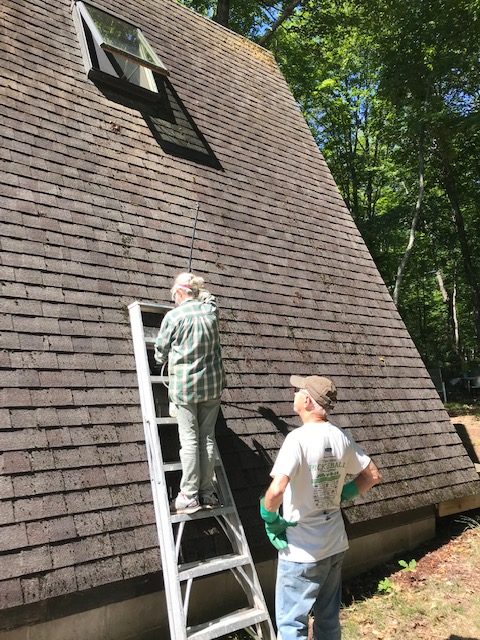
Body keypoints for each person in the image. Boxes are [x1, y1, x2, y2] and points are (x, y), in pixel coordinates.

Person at [260, 375, 381, 640]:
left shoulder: (297, 440)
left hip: (302, 553)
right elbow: (371, 475)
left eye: (298, 391)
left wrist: (269, 516)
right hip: (334, 545)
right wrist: (343, 494)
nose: (294, 393)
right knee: (327, 618)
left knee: (293, 625)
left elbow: (277, 490)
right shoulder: (340, 437)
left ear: (307, 400)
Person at [155, 272, 225, 513]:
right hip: (212, 387)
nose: (173, 298)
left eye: (174, 294)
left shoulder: (174, 317)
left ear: (180, 292)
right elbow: (211, 299)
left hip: (186, 389)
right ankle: (207, 493)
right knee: (206, 438)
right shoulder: (210, 312)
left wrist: (160, 358)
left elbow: (161, 348)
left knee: (190, 441)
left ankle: (189, 494)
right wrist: (200, 292)